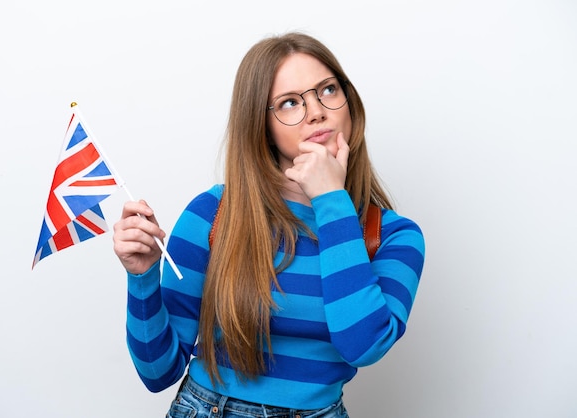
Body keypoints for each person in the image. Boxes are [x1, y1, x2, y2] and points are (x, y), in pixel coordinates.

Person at [113, 31, 425, 418]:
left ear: (350, 103)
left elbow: (363, 345)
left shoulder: (393, 236)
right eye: (290, 103)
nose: (316, 112)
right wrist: (141, 277)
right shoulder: (212, 213)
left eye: (327, 90)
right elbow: (158, 373)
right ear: (262, 127)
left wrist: (331, 202)